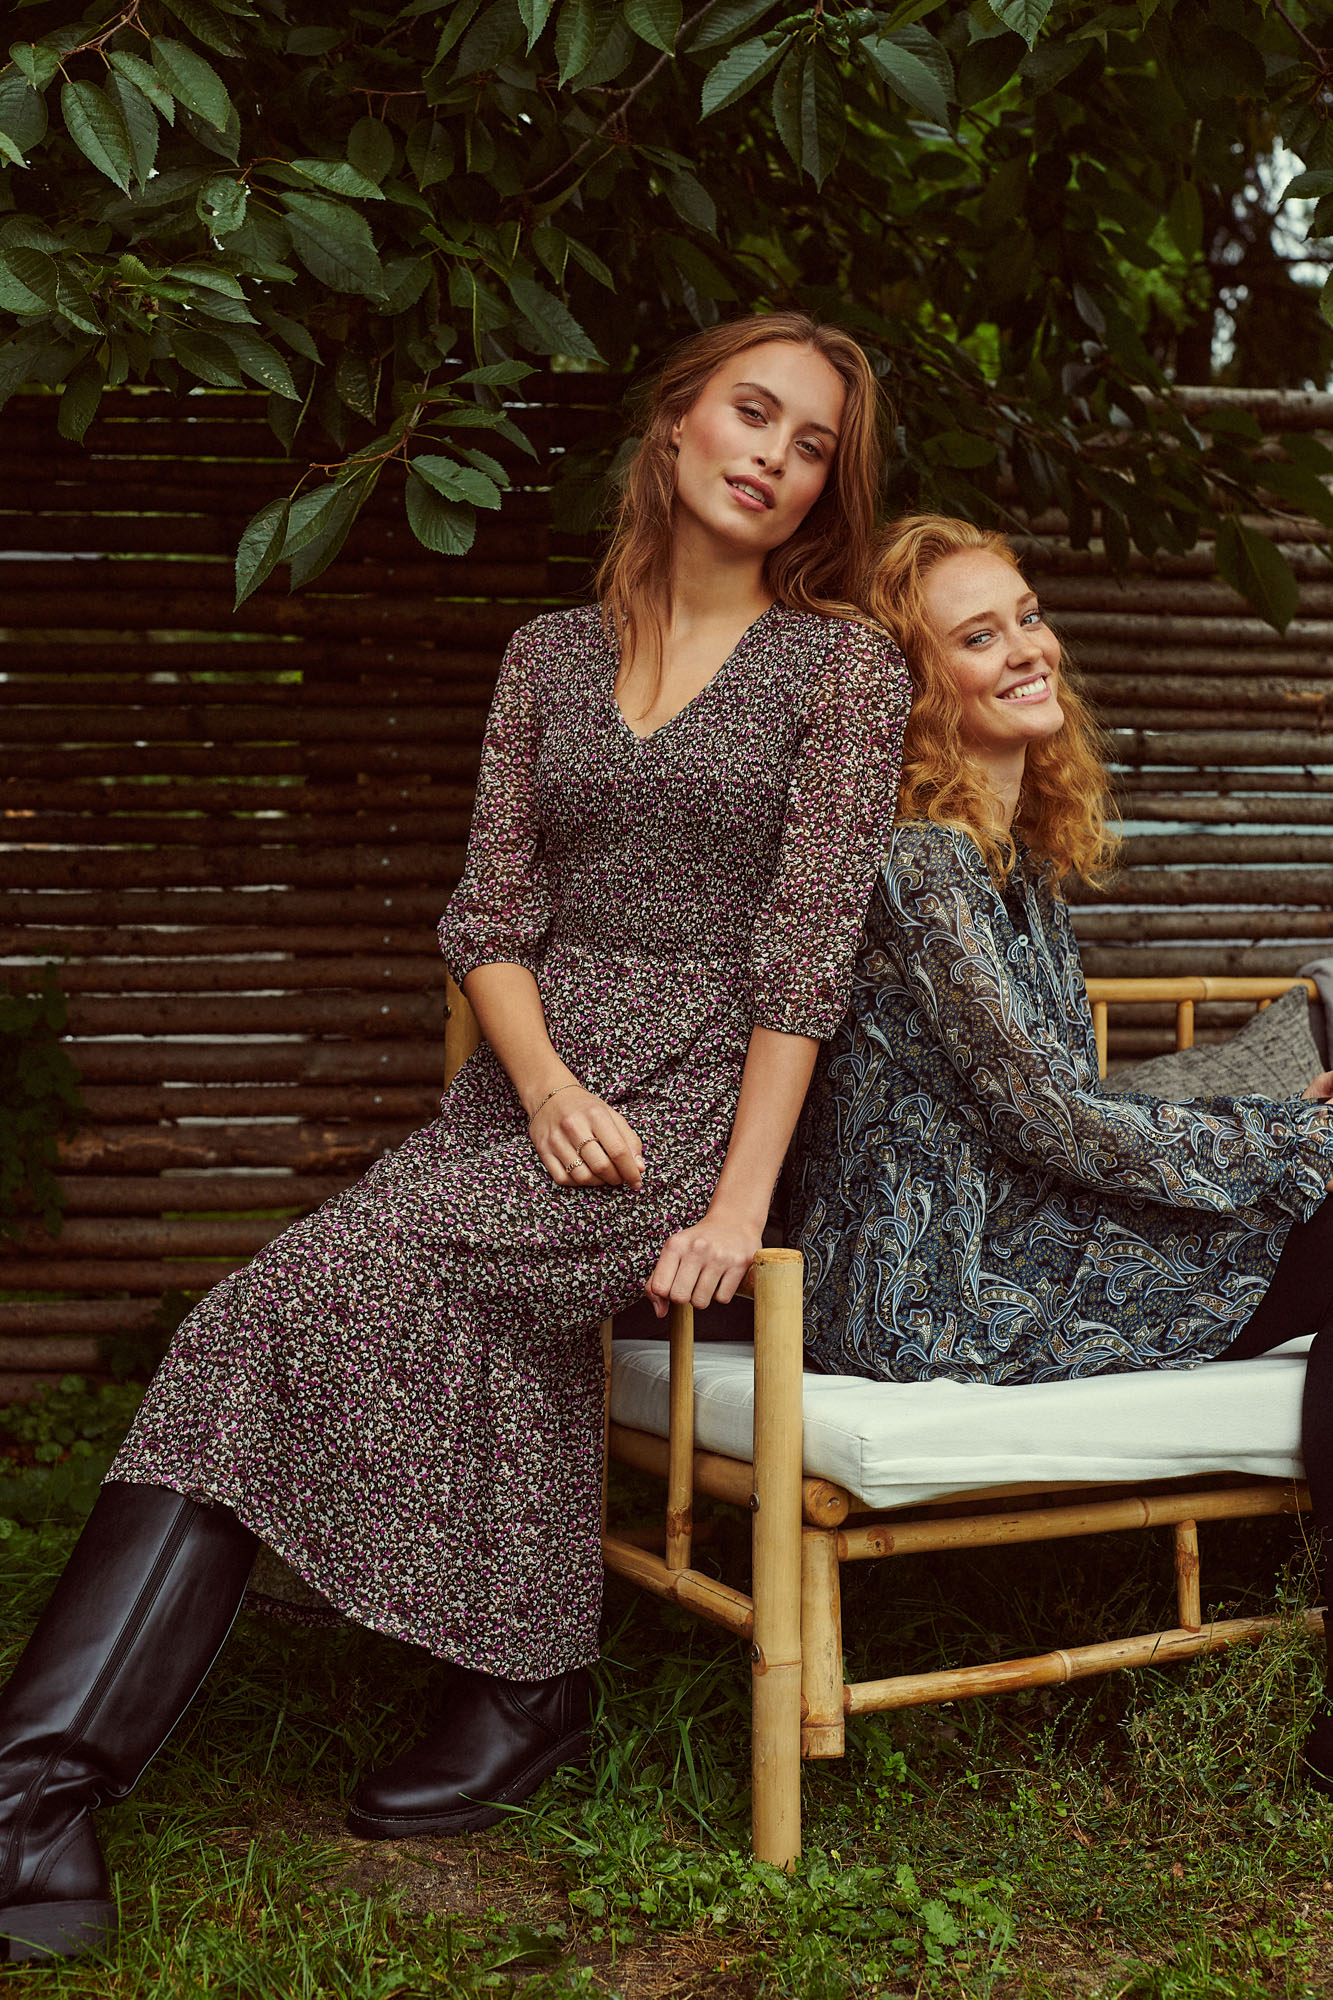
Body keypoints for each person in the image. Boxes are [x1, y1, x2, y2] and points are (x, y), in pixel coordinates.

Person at [0, 314, 912, 1963]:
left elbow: (804, 964)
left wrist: (737, 1206)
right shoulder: (546, 656)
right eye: (751, 414)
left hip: (689, 1114)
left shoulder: (841, 671)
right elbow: (486, 920)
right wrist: (544, 1087)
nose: (773, 459)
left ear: (821, 493)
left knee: (271, 1307)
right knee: (369, 1303)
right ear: (675, 422)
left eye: (810, 449)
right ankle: (522, 1685)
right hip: (528, 1096)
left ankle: (29, 1801)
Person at [786, 513, 1333, 1777]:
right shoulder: (917, 866)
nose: (1029, 648)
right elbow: (1045, 1115)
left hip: (1018, 1240)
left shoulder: (1010, 866)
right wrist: (1289, 1138)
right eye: (978, 637)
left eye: (1026, 615)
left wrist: (1281, 1135)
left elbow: (1053, 1116)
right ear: (914, 689)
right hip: (940, 1284)